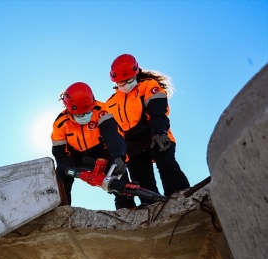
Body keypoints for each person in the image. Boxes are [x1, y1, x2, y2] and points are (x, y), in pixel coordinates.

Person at [104, 53, 190, 204]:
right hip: (132, 144)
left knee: (166, 162)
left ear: (136, 74)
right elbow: (112, 132)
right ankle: (151, 206)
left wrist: (160, 131)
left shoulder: (148, 86)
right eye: (120, 82)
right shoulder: (111, 103)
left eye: (128, 80)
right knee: (140, 177)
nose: (125, 84)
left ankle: (180, 195)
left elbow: (158, 110)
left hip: (154, 132)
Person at [51, 82, 136, 210]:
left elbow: (111, 135)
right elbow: (60, 153)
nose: (85, 117)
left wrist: (119, 156)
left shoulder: (101, 110)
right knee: (61, 174)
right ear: (69, 110)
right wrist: (69, 168)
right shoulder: (60, 123)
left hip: (99, 151)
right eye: (80, 115)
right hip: (75, 156)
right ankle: (61, 208)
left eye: (87, 112)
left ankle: (127, 207)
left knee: (118, 168)